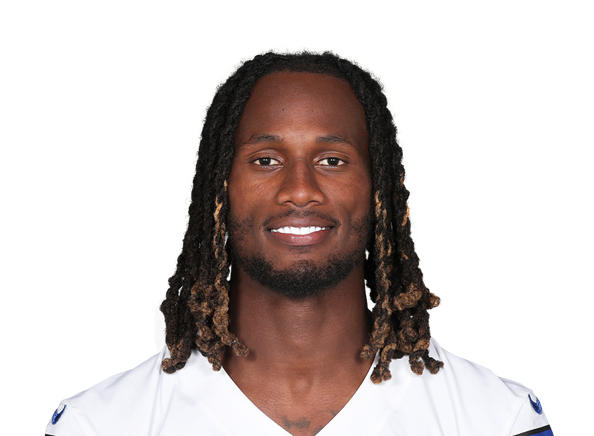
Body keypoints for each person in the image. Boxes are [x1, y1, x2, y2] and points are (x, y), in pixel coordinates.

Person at [45, 46, 553, 436]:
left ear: (378, 189)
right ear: (220, 187)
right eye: (266, 160)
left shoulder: (497, 420)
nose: (300, 190)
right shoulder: (101, 425)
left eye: (332, 160)